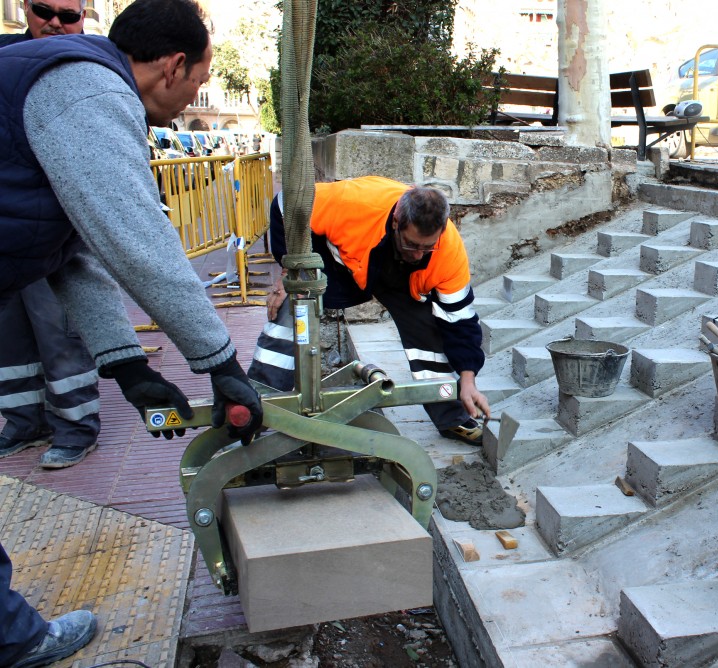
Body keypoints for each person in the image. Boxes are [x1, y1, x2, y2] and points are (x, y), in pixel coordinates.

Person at [0, 0, 262, 665]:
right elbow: (138, 240)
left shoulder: (75, 85)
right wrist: (221, 362)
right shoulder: (88, 89)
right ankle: (11, 640)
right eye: (200, 81)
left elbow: (73, 251)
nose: (194, 95)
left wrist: (128, 367)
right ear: (172, 66)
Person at [248, 176, 491, 445]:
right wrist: (290, 268)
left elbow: (460, 321)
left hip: (404, 283)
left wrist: (468, 379)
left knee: (428, 334)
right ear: (396, 222)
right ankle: (256, 405)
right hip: (344, 266)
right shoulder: (354, 204)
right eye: (412, 244)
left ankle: (451, 417)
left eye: (427, 247)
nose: (418, 254)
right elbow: (286, 203)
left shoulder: (448, 251)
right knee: (294, 305)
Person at [0, 0, 102, 470]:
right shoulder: (6, 57)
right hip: (9, 229)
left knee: (57, 330)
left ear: (83, 17)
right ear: (25, 8)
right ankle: (23, 421)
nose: (56, 23)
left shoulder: (83, 67)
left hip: (54, 232)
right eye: (44, 10)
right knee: (9, 337)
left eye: (69, 15)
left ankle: (75, 425)